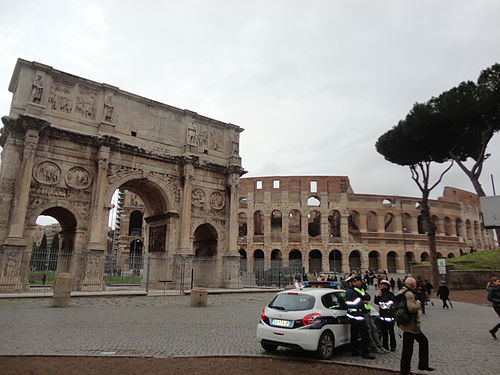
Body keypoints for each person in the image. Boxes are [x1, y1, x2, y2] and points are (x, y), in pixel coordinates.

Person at [397, 277, 434, 374]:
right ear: (413, 285)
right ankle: (405, 371)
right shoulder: (409, 294)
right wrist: (418, 303)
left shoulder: (401, 291)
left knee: (423, 341)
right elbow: (411, 308)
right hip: (410, 325)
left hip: (408, 324)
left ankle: (423, 365)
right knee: (408, 350)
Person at [344, 275, 375, 359]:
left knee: (354, 334)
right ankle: (365, 352)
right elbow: (355, 302)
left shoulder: (353, 290)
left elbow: (366, 297)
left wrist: (363, 299)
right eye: (357, 281)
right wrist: (363, 302)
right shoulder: (351, 292)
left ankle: (354, 351)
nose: (359, 282)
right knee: (364, 334)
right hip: (357, 315)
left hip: (354, 315)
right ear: (352, 283)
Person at [375, 280, 397, 351]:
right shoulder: (380, 294)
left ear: (386, 286)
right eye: (380, 285)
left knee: (391, 332)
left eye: (382, 285)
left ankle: (393, 346)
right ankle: (385, 346)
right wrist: (377, 297)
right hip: (382, 316)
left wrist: (384, 304)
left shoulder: (390, 294)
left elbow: (390, 304)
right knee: (384, 333)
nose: (381, 286)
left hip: (389, 316)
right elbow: (377, 302)